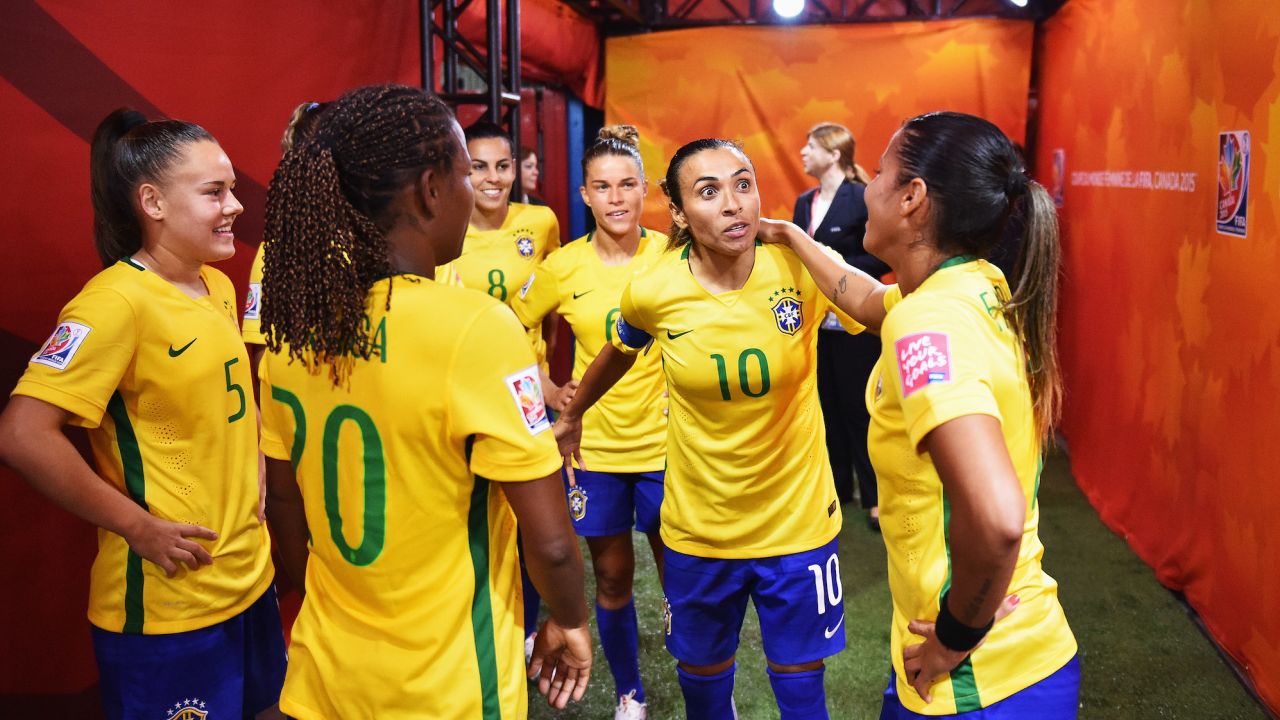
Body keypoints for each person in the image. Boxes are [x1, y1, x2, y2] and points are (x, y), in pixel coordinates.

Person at [257, 84, 592, 719]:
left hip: (326, 675)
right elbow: (548, 543)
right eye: (467, 171)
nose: (475, 189)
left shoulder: (292, 330)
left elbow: (284, 507)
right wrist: (571, 621)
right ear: (429, 189)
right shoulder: (474, 327)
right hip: (449, 688)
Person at [768, 111, 1078, 717]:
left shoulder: (928, 319)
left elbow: (996, 520)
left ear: (912, 199)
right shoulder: (971, 283)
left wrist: (956, 638)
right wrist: (790, 236)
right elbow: (864, 297)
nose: (867, 188)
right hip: (981, 660)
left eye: (879, 175)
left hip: (978, 679)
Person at [555, 138, 872, 720]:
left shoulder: (797, 267)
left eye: (743, 184)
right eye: (709, 191)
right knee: (703, 687)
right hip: (700, 530)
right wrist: (572, 413)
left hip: (798, 525)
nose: (733, 204)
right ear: (677, 213)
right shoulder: (655, 289)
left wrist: (799, 238)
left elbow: (879, 309)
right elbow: (619, 349)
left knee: (803, 692)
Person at [0, 109, 284, 719]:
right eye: (214, 192)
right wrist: (136, 525)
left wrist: (256, 459)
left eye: (232, 188)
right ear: (151, 202)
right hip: (168, 608)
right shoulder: (113, 304)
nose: (235, 205)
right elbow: (23, 434)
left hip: (249, 582)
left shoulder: (219, 286)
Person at [512, 124, 667, 720]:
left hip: (667, 447)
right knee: (610, 575)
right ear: (584, 194)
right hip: (594, 450)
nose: (617, 198)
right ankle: (632, 693)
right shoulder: (562, 266)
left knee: (678, 577)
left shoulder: (670, 256)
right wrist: (548, 389)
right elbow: (509, 325)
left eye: (628, 184)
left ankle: (705, 679)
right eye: (603, 187)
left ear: (645, 189)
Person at [446, 119, 562, 652]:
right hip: (464, 396)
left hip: (526, 395)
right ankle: (481, 623)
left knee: (534, 517)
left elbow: (550, 305)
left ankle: (529, 630)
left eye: (503, 166)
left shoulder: (540, 222)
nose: (493, 179)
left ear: (517, 168)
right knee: (472, 515)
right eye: (478, 167)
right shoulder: (444, 226)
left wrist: (544, 370)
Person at [793, 122, 890, 528]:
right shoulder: (804, 202)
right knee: (827, 409)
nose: (802, 151)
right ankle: (834, 490)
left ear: (834, 154)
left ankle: (875, 498)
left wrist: (839, 270)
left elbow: (884, 256)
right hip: (817, 326)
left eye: (810, 146)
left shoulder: (861, 197)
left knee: (859, 410)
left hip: (857, 324)